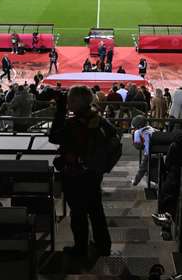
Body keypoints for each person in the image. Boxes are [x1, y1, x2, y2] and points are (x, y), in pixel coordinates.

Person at [49, 85, 118, 258]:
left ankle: (80, 249)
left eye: (71, 100)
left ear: (78, 102)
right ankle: (103, 246)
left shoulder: (73, 124)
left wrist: (59, 110)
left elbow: (53, 137)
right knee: (95, 210)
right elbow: (112, 136)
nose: (69, 102)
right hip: (94, 173)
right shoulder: (99, 119)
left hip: (75, 175)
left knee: (78, 213)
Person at [131, 114, 155, 186]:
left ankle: (135, 182)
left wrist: (133, 137)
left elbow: (138, 146)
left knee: (142, 169)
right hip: (158, 152)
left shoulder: (137, 132)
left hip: (148, 153)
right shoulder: (151, 128)